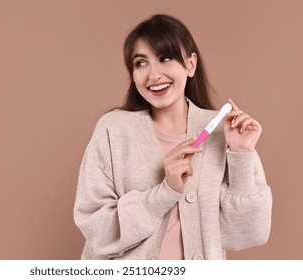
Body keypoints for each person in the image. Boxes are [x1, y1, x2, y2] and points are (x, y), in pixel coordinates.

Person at [73, 14, 272, 260]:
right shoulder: (113, 130)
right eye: (140, 63)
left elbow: (247, 232)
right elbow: (96, 229)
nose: (153, 75)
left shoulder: (222, 133)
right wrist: (165, 192)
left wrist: (241, 155)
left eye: (165, 58)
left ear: (190, 64)